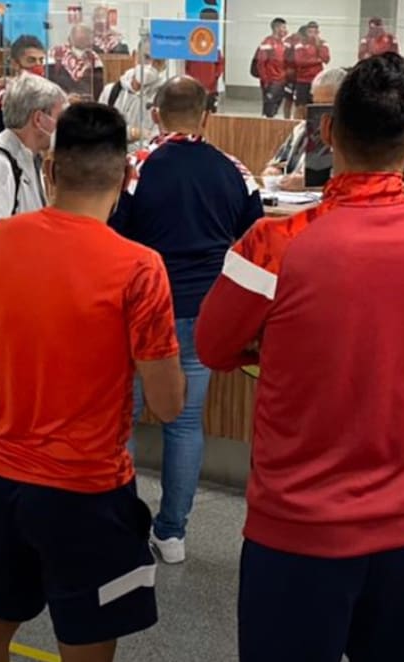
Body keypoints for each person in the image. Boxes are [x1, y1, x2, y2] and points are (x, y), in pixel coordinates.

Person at [195, 53, 404, 662]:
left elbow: (214, 346)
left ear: (327, 134)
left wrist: (277, 341)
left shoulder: (274, 246)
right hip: (398, 534)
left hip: (293, 540)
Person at [0, 101, 184, 662]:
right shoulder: (139, 268)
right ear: (124, 179)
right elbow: (169, 404)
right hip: (88, 492)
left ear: (49, 170)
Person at [110, 77, 261, 564]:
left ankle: (119, 524)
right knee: (184, 421)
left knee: (121, 420)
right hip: (203, 311)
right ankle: (172, 533)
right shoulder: (235, 171)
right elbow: (253, 242)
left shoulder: (135, 168)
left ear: (155, 114)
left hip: (140, 311)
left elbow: (112, 235)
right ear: (206, 117)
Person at [0, 72, 66, 446]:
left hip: (27, 303)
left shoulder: (30, 159)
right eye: (58, 114)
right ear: (39, 119)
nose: (61, 124)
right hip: (6, 309)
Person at [262, 66, 345, 192]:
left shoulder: (352, 139)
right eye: (316, 105)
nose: (321, 114)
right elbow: (278, 162)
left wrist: (312, 183)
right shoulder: (301, 130)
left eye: (327, 106)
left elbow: (353, 183)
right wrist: (273, 171)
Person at [0, 35, 47, 150]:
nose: (38, 67)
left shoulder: (43, 95)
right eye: (31, 60)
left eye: (41, 60)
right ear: (15, 64)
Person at [98, 46, 168, 152]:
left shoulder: (165, 98)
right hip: (109, 162)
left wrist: (117, 136)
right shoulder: (111, 91)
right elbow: (99, 131)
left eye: (157, 62)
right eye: (146, 57)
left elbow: (155, 142)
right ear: (135, 55)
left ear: (164, 66)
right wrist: (134, 132)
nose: (150, 65)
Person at [49, 24, 105, 100]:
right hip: (60, 99)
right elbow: (49, 78)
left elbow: (98, 83)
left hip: (86, 101)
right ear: (71, 37)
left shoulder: (93, 57)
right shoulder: (56, 52)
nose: (84, 38)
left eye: (87, 36)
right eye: (80, 35)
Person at [256, 17, 291, 119]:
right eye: (283, 27)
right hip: (271, 81)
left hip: (281, 80)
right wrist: (266, 81)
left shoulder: (283, 43)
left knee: (276, 106)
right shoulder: (267, 42)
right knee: (269, 108)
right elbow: (261, 63)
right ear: (276, 28)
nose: (285, 30)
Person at [290, 22, 329, 109]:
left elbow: (326, 59)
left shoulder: (323, 43)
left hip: (317, 80)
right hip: (302, 80)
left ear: (318, 32)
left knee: (315, 105)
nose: (312, 35)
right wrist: (317, 60)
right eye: (310, 32)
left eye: (315, 32)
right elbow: (300, 62)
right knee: (300, 106)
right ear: (306, 33)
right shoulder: (300, 44)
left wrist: (318, 46)